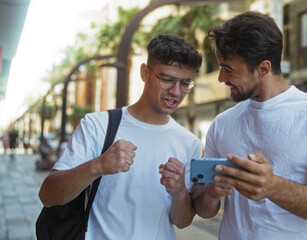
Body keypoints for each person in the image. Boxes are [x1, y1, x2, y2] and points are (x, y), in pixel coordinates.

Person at [192, 11, 307, 239]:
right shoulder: (221, 123)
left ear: (263, 68)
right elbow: (202, 209)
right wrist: (211, 194)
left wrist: (272, 187)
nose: (221, 78)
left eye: (229, 69)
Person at [38, 34, 203, 239]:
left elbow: (183, 221)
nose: (176, 92)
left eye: (185, 83)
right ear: (144, 72)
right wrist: (98, 165)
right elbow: (48, 195)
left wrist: (179, 193)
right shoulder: (97, 126)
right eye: (167, 79)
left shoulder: (190, 143)